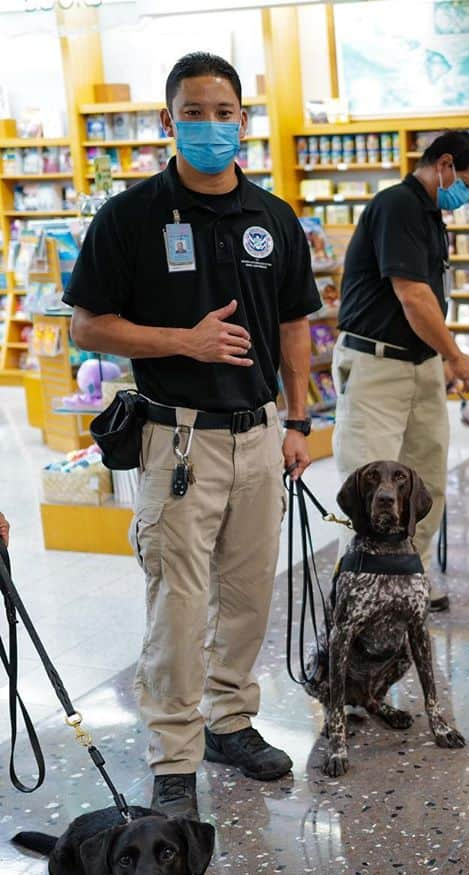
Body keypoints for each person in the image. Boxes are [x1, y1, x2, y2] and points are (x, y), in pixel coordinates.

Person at [65, 52, 322, 820]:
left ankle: (230, 722)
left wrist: (299, 417)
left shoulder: (274, 218)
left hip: (259, 434)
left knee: (248, 596)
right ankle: (173, 753)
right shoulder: (131, 216)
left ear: (245, 121)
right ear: (168, 121)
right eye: (194, 112)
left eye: (225, 112)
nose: (211, 125)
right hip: (177, 440)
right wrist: (186, 342)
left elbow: (294, 324)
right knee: (179, 604)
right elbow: (86, 323)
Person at [333, 131, 469, 610]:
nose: (468, 194)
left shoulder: (429, 216)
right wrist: (457, 355)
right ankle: (358, 591)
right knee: (369, 485)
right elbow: (413, 296)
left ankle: (407, 581)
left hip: (420, 365)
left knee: (424, 483)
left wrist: (439, 358)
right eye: (468, 182)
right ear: (444, 164)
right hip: (377, 365)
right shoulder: (397, 206)